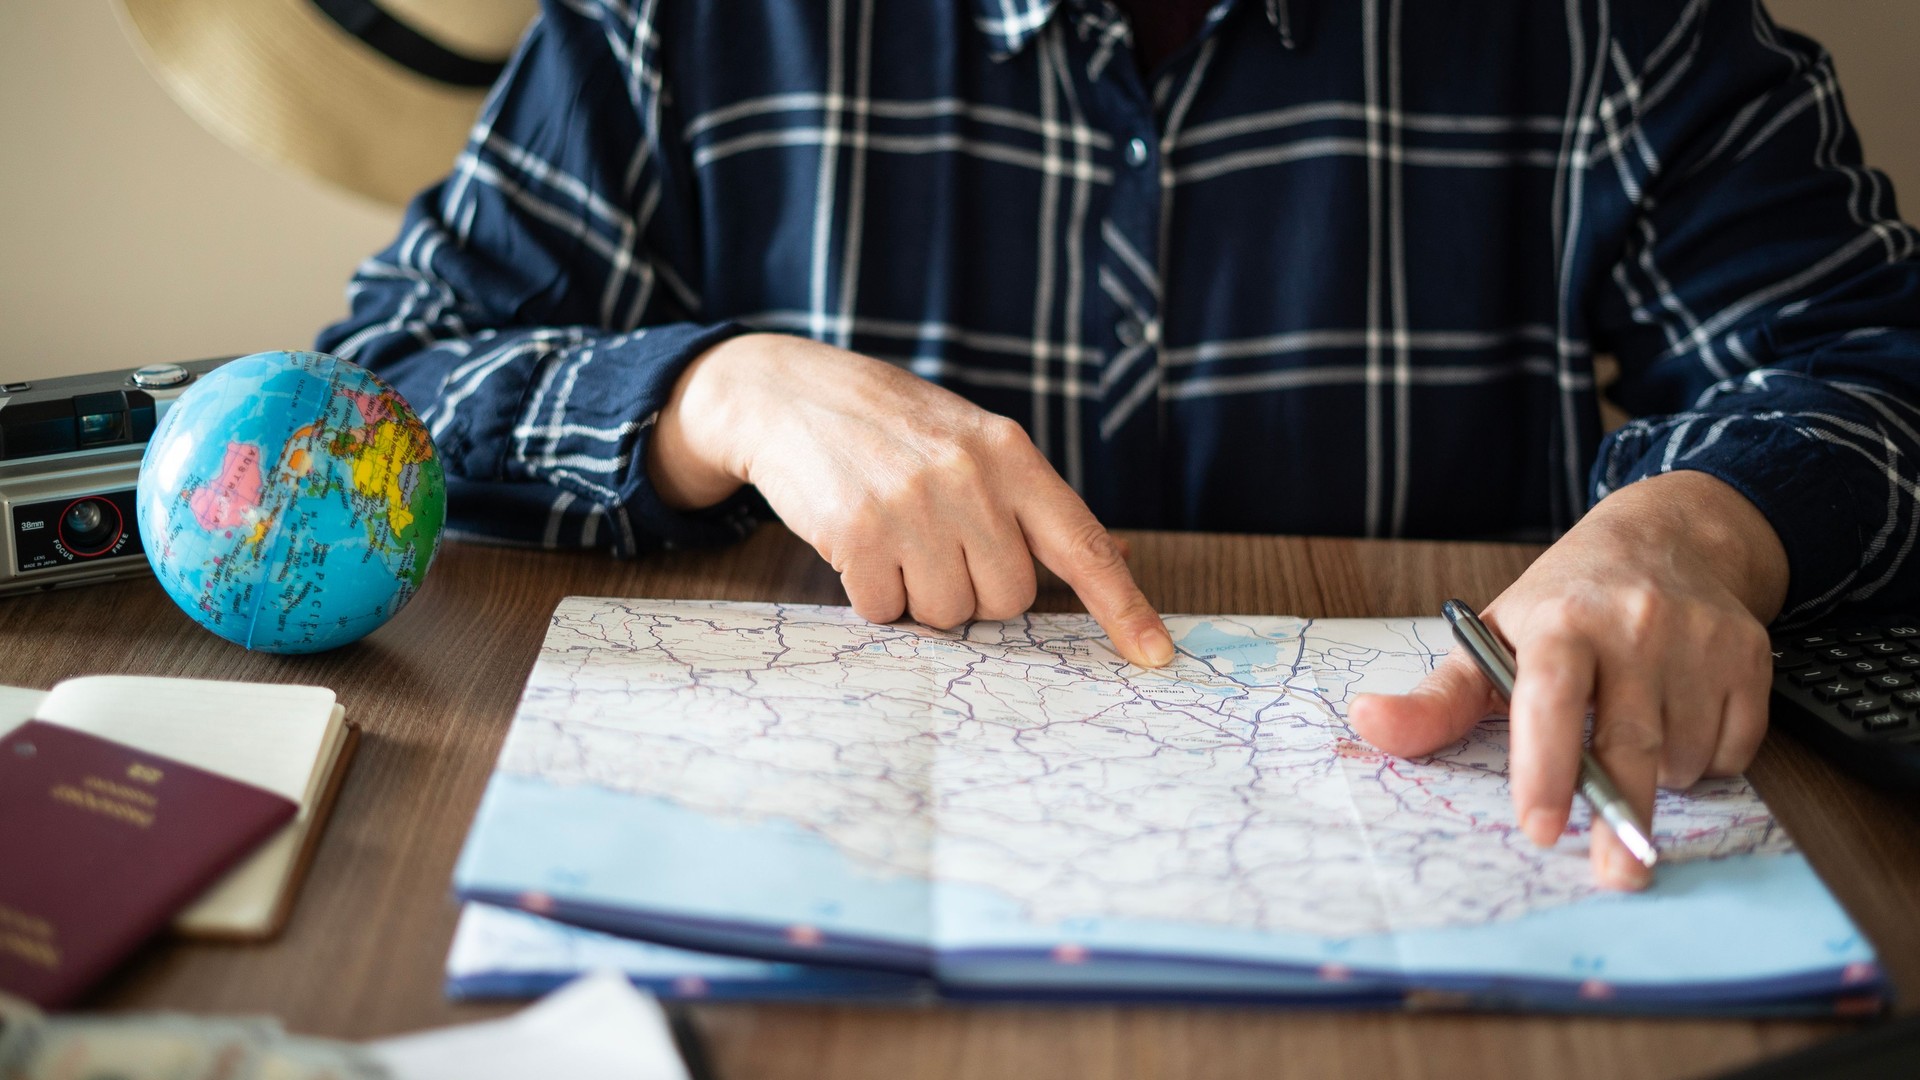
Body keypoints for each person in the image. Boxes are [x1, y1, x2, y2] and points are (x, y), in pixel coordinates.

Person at [319, 0, 1920, 890]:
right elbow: (367, 397)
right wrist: (715, 395)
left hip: (1444, 905)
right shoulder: (674, 22)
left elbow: (1875, 352)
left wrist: (1697, 528)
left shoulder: (1613, 28)